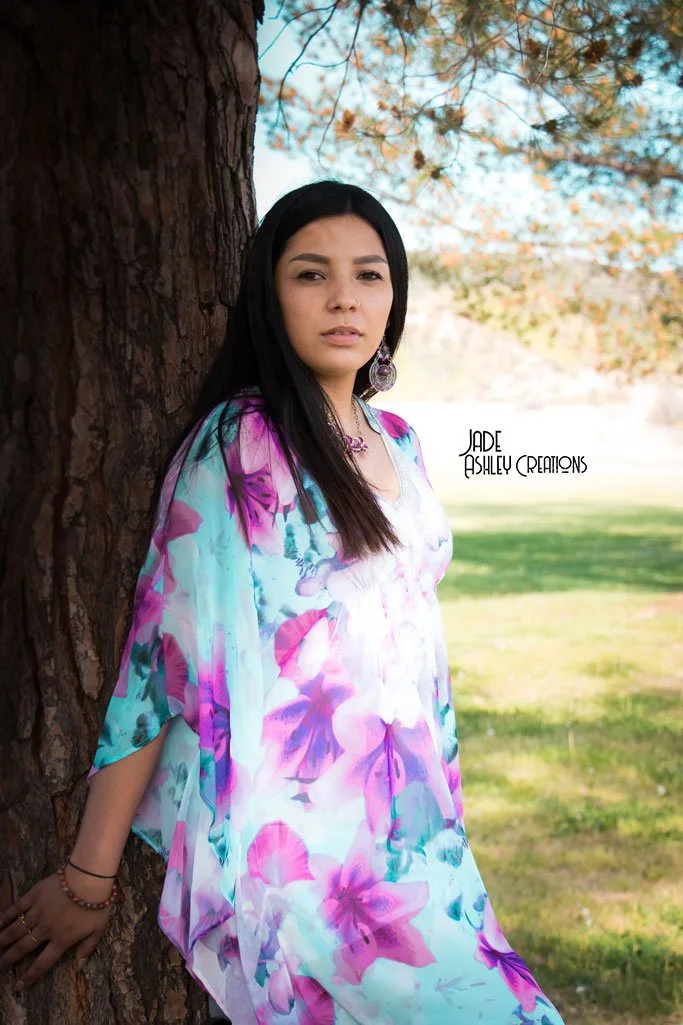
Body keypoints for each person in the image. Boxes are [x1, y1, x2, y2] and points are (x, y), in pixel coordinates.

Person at [0, 181, 566, 1025]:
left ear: (394, 296)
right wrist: (89, 875)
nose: (344, 297)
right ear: (271, 296)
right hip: (306, 857)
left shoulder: (400, 442)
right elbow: (165, 660)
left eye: (369, 275)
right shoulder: (244, 443)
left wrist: (444, 824)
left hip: (418, 842)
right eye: (310, 274)